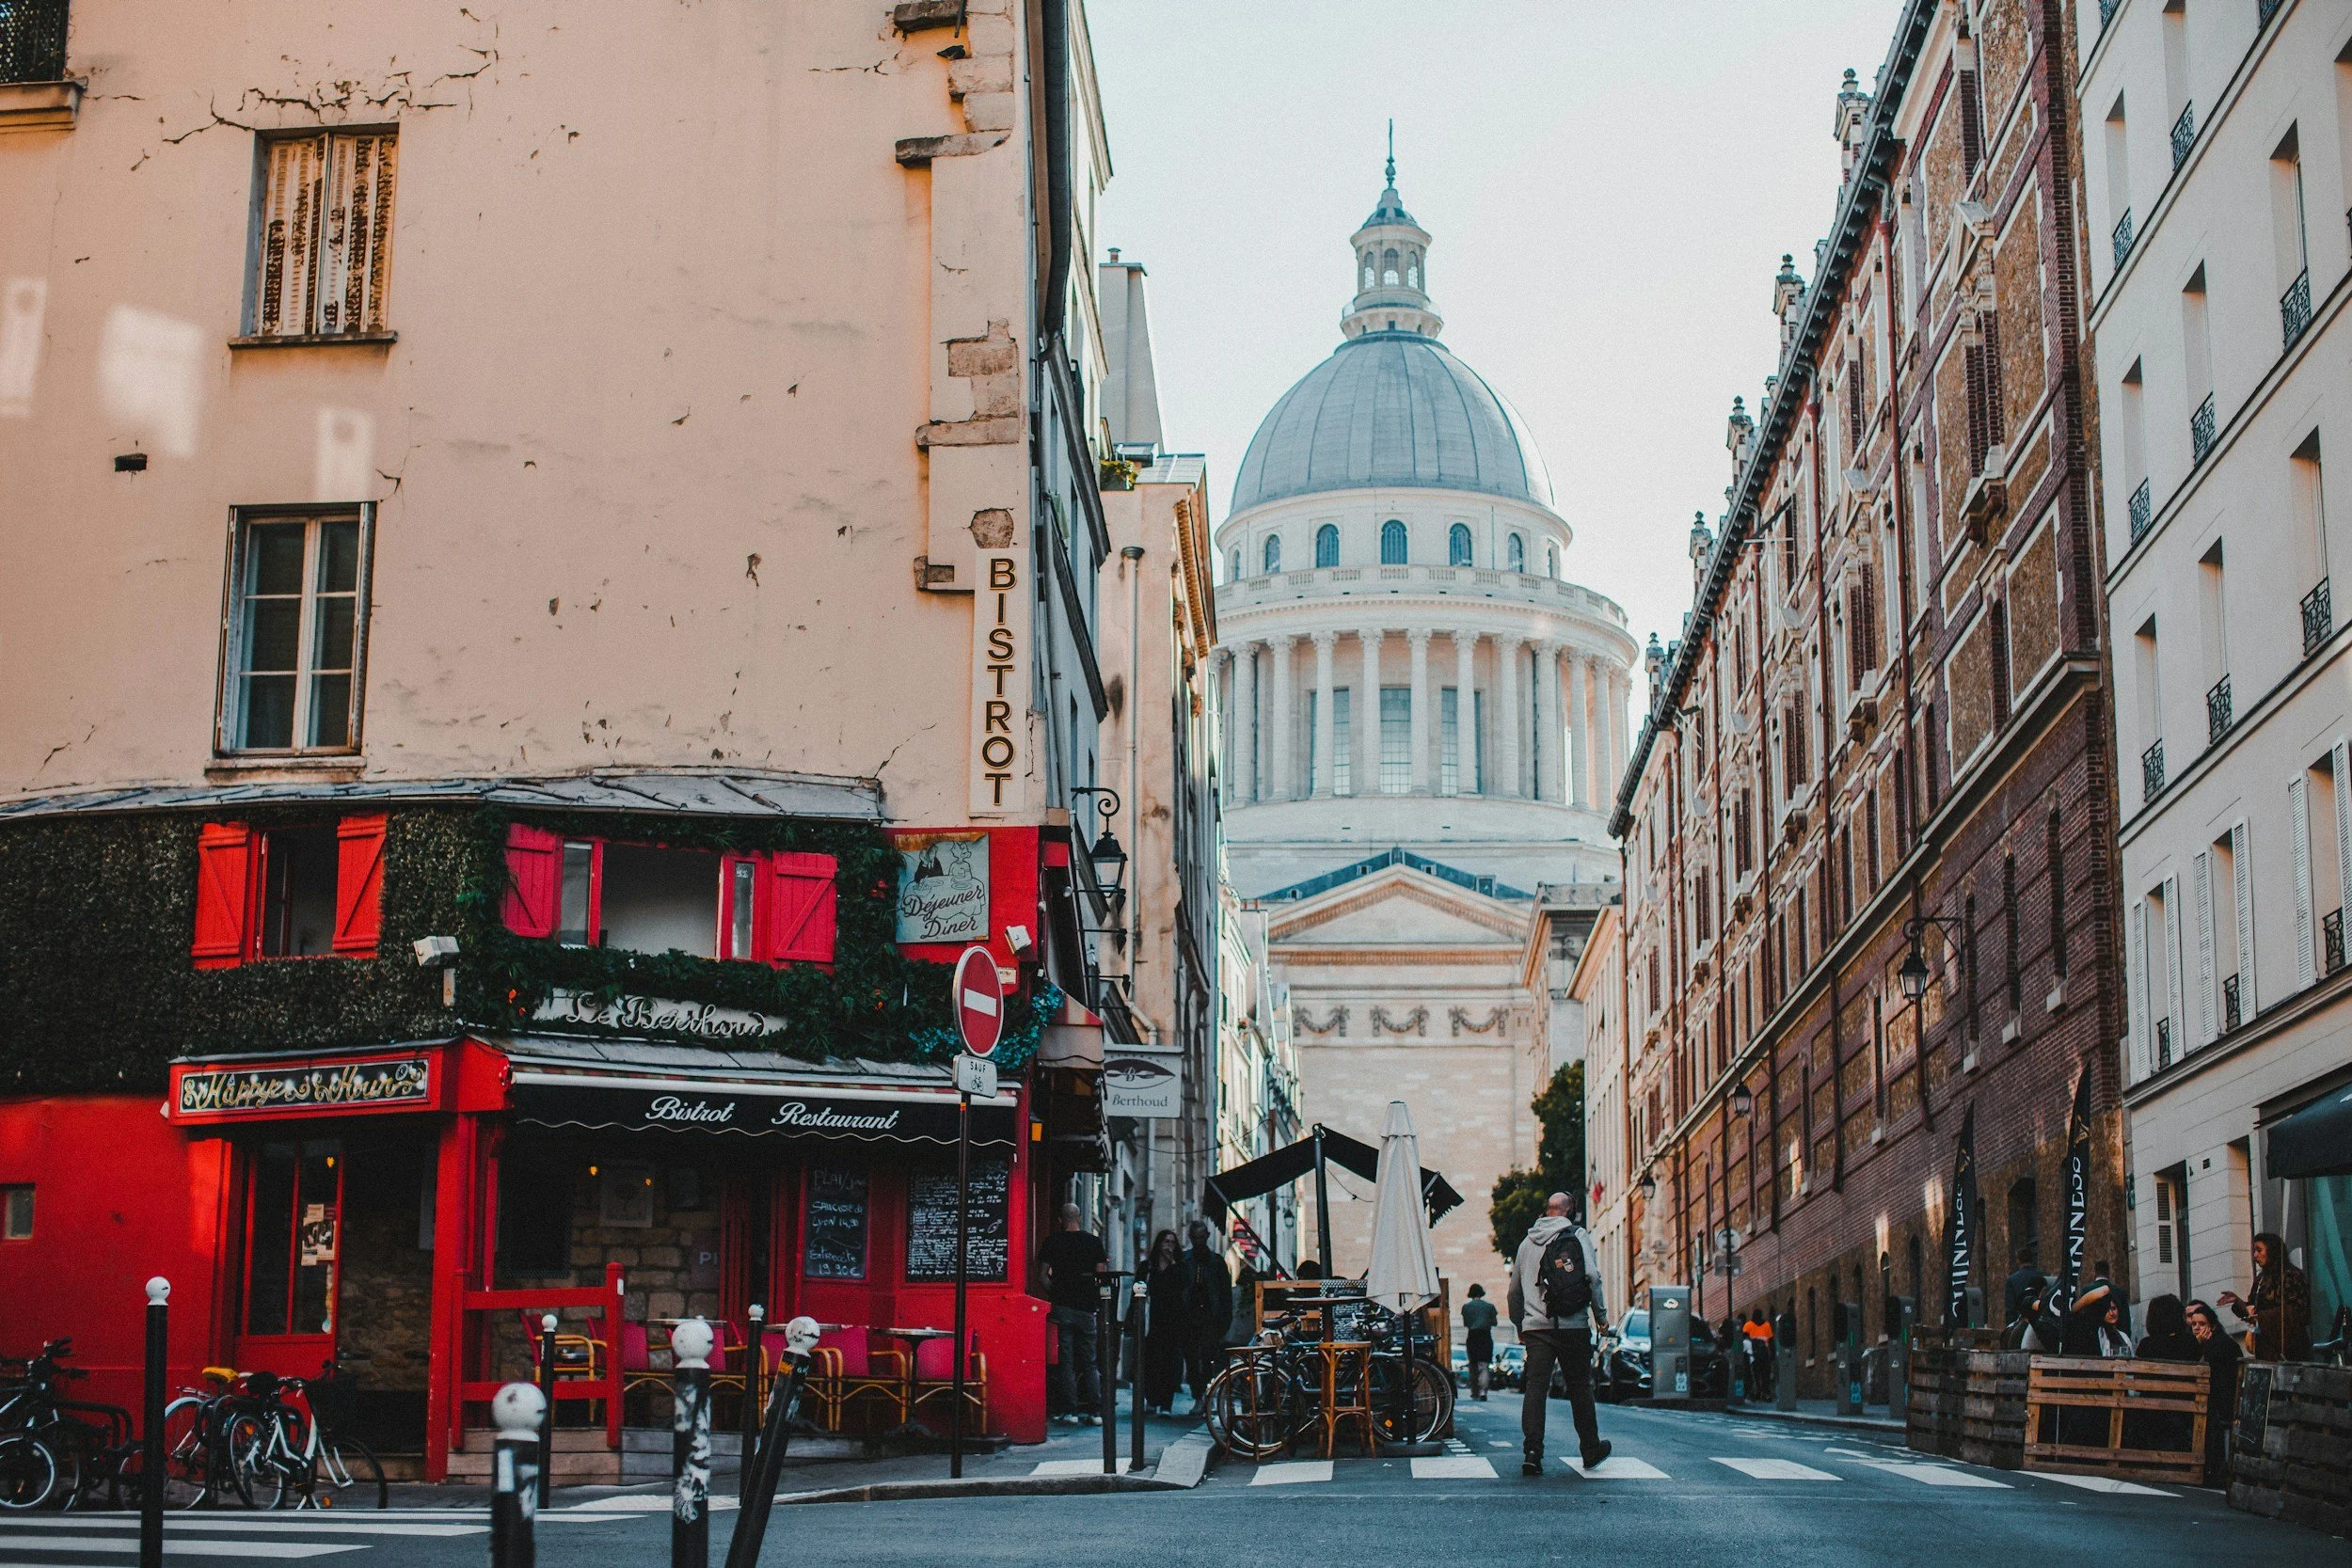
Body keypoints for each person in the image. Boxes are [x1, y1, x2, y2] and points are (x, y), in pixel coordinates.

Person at [1507, 1194, 1612, 1478]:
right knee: (1579, 1387)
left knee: (1535, 1388)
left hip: (1537, 1329)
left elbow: (1514, 1292)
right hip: (1573, 1325)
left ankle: (1532, 1452)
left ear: (1547, 1211)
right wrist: (1600, 1318)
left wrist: (1521, 1325)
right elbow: (1592, 1276)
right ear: (1571, 1212)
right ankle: (1590, 1449)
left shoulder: (1526, 1244)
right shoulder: (1578, 1235)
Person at [1039, 1202, 1106, 1425]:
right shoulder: (1094, 1242)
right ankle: (1096, 1412)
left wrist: (1055, 1291)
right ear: (1079, 1217)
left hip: (1063, 1306)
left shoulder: (1052, 1241)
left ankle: (1071, 1411)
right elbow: (1101, 1276)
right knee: (1090, 1361)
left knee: (1066, 1361)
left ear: (1061, 1219)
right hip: (1086, 1308)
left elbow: (1042, 1276)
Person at [2217, 1232, 2312, 1361]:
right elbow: (2253, 1309)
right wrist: (2238, 1301)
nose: (2255, 1255)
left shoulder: (2291, 1275)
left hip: (2290, 1348)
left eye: (2259, 1250)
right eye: (2254, 1250)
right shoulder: (2261, 1279)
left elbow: (2298, 1311)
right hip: (2265, 1348)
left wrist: (2262, 1317)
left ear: (2272, 1251)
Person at [2185, 1299, 2242, 1484]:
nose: (2196, 1328)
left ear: (2212, 1326)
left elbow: (2203, 1372)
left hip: (2220, 1402)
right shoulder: (2205, 1343)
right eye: (2193, 1324)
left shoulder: (2219, 1345)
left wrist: (2197, 1346)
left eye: (2202, 1324)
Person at [1182, 1219, 1233, 1414]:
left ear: (1207, 1237)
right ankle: (1198, 1396)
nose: (1199, 1241)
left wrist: (1224, 1320)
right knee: (1193, 1360)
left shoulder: (1217, 1262)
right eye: (1195, 1238)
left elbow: (1225, 1294)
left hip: (1210, 1319)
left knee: (1209, 1359)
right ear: (1191, 1238)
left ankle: (1207, 1396)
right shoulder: (1185, 1261)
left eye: (1201, 1237)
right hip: (1190, 1318)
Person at [1142, 1229, 1187, 1416]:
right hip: (1151, 1320)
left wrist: (1173, 1264)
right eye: (1166, 1242)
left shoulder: (1179, 1267)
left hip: (1172, 1321)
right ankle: (1151, 1400)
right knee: (1151, 1361)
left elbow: (1183, 1286)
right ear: (1159, 1244)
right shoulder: (1148, 1267)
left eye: (1172, 1242)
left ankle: (1166, 1404)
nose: (1169, 1246)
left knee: (1170, 1362)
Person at [1460, 1284, 1499, 1401]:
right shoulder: (1490, 1306)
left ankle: (1474, 1392)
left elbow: (1466, 1323)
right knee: (1484, 1365)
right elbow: (1495, 1323)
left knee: (1473, 1365)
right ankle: (1483, 1392)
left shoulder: (1466, 1307)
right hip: (1486, 1336)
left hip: (1472, 1336)